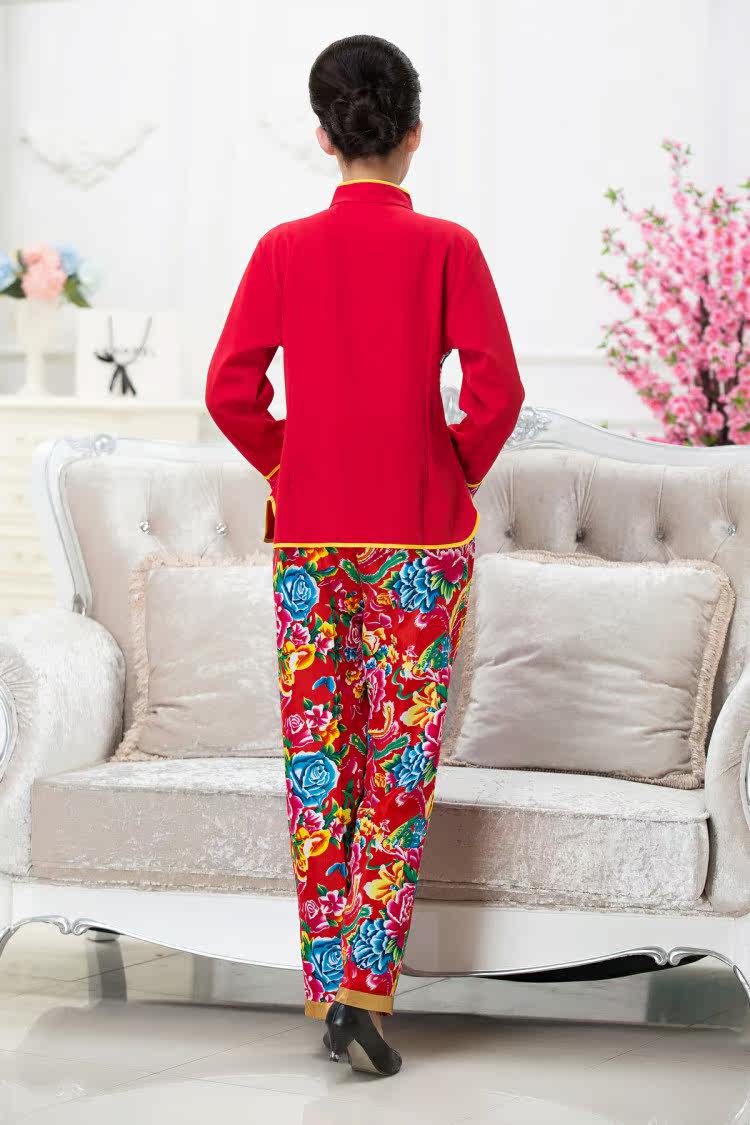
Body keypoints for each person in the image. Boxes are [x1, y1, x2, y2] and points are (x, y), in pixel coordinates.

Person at [204, 32, 525, 1077]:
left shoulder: (282, 250)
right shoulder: (449, 248)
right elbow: (497, 394)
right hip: (420, 541)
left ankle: (328, 985)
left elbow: (230, 390)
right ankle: (363, 992)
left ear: (323, 134)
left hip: (311, 538)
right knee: (398, 761)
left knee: (320, 760)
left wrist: (289, 462)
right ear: (414, 134)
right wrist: (449, 467)